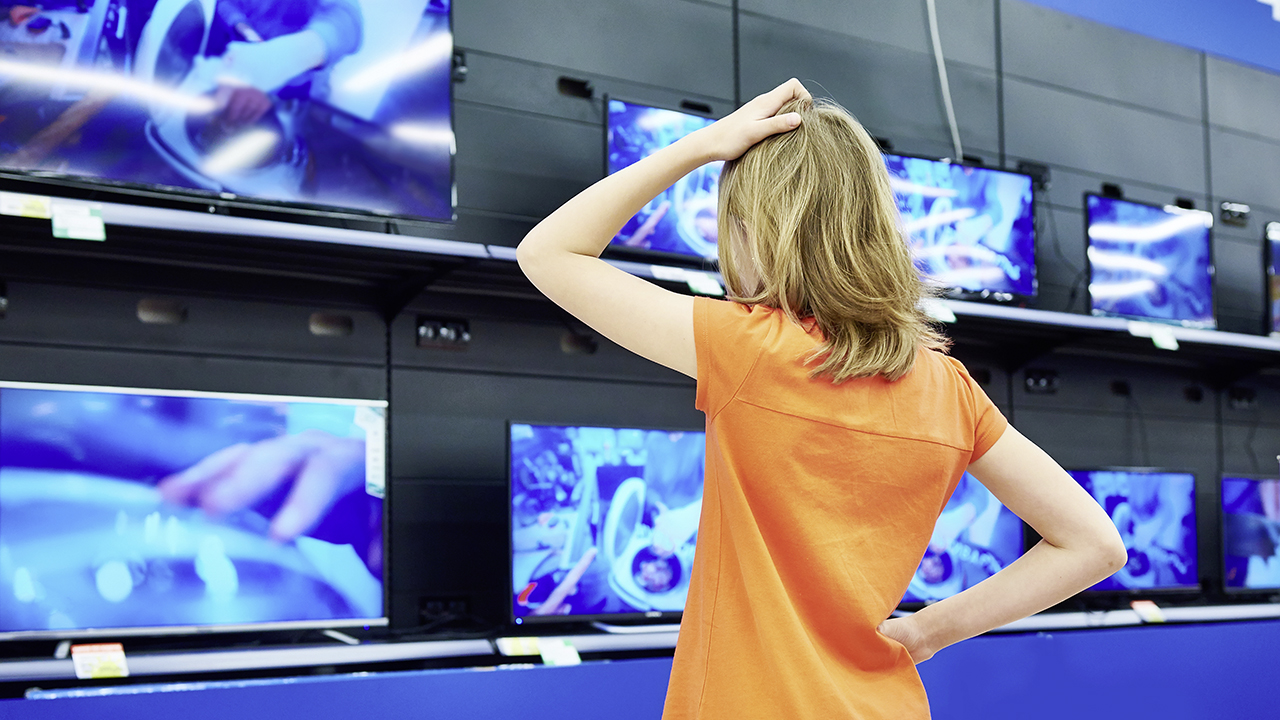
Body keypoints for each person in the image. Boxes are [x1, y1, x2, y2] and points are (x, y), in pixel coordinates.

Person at [516, 79, 1127, 719]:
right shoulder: (951, 389)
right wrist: (926, 631)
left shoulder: (749, 348)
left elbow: (548, 253)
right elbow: (1094, 545)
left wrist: (702, 146)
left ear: (754, 231)